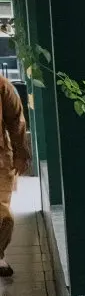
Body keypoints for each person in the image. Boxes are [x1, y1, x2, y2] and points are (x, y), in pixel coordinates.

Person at [0, 75, 30, 278]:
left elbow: (16, 120)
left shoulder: (2, 86)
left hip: (1, 160)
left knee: (3, 215)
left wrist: (21, 154)